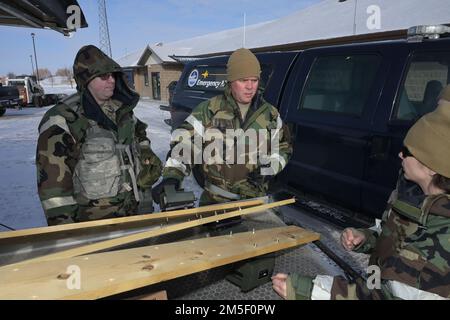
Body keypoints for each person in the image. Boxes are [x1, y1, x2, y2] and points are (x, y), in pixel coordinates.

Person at [272, 85, 450, 300]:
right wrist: (366, 237)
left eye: (408, 152)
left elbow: (390, 296)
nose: (400, 155)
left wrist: (306, 289)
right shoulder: (412, 191)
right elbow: (394, 234)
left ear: (432, 166)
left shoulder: (444, 232)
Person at [36, 45, 162, 225]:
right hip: (93, 226)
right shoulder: (64, 119)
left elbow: (140, 133)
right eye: (103, 76)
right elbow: (53, 190)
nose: (111, 80)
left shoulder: (122, 111)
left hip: (134, 216)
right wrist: (65, 232)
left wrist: (145, 152)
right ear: (85, 80)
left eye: (113, 75)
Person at [152, 48, 292, 207]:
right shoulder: (209, 110)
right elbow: (185, 144)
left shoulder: (270, 115)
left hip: (254, 203)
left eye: (254, 80)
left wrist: (270, 167)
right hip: (215, 202)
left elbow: (283, 146)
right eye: (243, 80)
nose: (250, 87)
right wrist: (172, 177)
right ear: (231, 81)